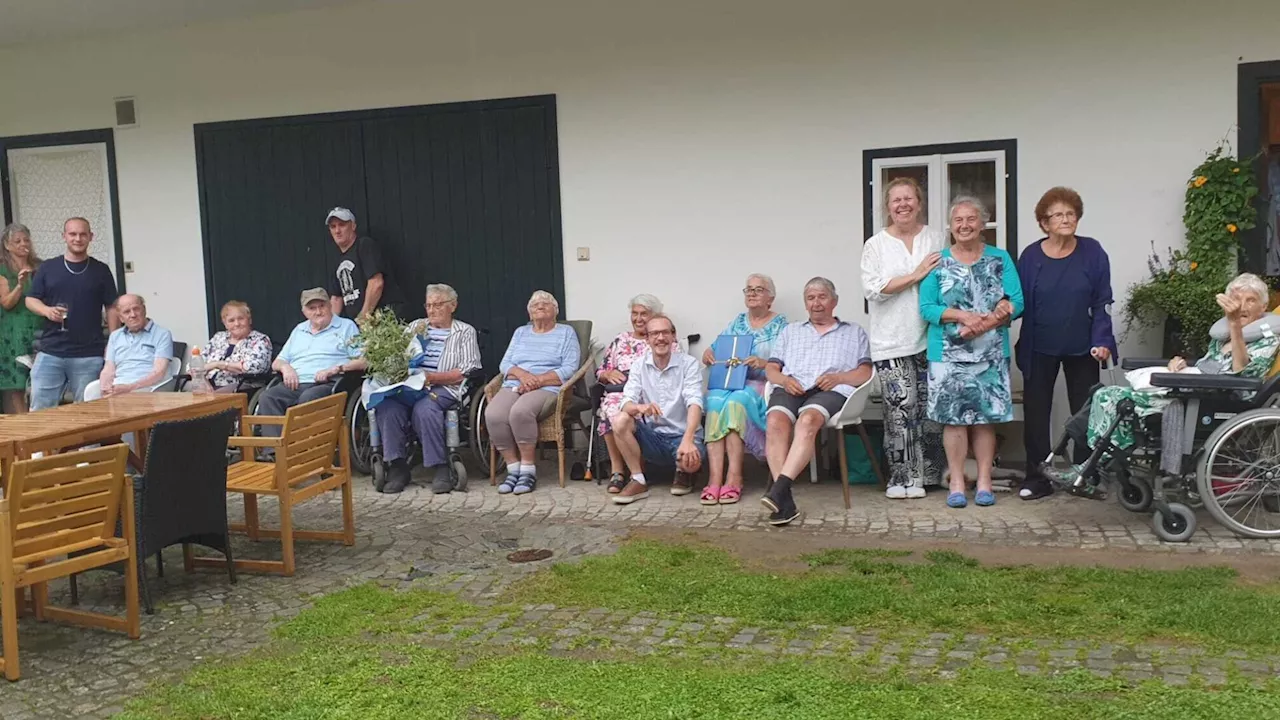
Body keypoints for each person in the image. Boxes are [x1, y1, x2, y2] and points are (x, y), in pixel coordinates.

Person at [1046, 273, 1280, 486]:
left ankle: (1090, 472)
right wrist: (1178, 367)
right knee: (1104, 394)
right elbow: (1206, 367)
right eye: (1238, 299)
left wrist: (1234, 326)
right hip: (1200, 389)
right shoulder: (1222, 337)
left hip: (1223, 398)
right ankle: (1092, 466)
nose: (1243, 306)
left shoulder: (1266, 337)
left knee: (1116, 400)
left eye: (1251, 300)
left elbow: (1242, 371)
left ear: (1264, 305)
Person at [920, 197, 1024, 509]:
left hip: (990, 353)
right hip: (947, 354)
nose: (964, 226)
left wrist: (987, 321)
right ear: (950, 227)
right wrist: (963, 317)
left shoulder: (999, 258)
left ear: (982, 224)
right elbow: (926, 308)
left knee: (984, 420)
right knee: (953, 421)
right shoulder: (937, 262)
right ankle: (955, 481)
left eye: (971, 220)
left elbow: (1017, 301)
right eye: (958, 221)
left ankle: (983, 481)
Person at [1016, 187, 1118, 500]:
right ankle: (1037, 478)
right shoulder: (1031, 257)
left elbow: (1103, 301)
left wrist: (1103, 340)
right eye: (1058, 215)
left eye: (1070, 214)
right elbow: (1018, 300)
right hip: (1039, 346)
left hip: (1083, 348)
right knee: (1036, 414)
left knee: (1087, 413)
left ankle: (1084, 474)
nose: (1066, 219)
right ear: (1044, 223)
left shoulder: (1092, 251)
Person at [759, 277, 873, 526]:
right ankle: (784, 498)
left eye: (822, 297)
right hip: (793, 385)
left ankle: (779, 491)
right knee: (775, 422)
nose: (816, 303)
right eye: (810, 298)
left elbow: (865, 372)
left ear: (834, 301)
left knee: (808, 420)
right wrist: (783, 380)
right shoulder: (791, 331)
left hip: (829, 390)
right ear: (805, 303)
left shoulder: (854, 331)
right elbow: (771, 369)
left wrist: (839, 377)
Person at [861, 177, 947, 499]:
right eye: (896, 200)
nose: (903, 205)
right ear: (888, 207)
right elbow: (873, 289)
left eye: (908, 198)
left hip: (930, 338)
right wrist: (915, 275)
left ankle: (929, 476)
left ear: (919, 202)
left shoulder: (935, 238)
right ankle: (901, 479)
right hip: (892, 341)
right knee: (900, 411)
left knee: (929, 412)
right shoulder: (876, 245)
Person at [374, 284, 482, 495]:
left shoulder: (464, 332)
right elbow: (398, 357)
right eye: (429, 305)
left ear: (453, 306)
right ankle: (397, 466)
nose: (431, 310)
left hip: (444, 387)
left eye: (438, 305)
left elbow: (466, 370)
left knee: (425, 409)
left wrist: (432, 378)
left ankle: (439, 465)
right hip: (409, 387)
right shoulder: (415, 327)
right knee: (387, 406)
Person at [699, 274, 788, 505]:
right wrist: (709, 352)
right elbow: (719, 347)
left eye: (758, 290)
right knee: (715, 400)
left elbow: (791, 363)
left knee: (736, 402)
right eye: (748, 289)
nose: (752, 293)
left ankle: (735, 477)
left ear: (771, 298)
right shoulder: (738, 322)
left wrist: (764, 363)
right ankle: (715, 478)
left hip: (762, 385)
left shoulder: (782, 326)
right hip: (732, 382)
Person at [487, 291, 581, 495]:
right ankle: (513, 468)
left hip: (548, 386)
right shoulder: (521, 332)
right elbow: (505, 364)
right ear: (529, 313)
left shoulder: (566, 332)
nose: (539, 306)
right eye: (534, 304)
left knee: (520, 411)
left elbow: (570, 367)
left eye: (545, 303)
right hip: (516, 383)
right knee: (493, 414)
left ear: (555, 311)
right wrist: (522, 375)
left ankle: (528, 470)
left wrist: (536, 380)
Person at [24, 217, 121, 410]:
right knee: (41, 411)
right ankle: (46, 442)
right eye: (73, 234)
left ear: (91, 237)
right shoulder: (48, 268)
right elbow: (30, 299)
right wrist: (47, 310)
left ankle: (87, 443)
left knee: (87, 412)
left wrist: (113, 342)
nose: (78, 238)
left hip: (89, 353)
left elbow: (112, 307)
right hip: (50, 351)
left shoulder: (101, 270)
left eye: (83, 234)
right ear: (64, 236)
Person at [610, 314, 707, 504]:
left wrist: (688, 440)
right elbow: (626, 402)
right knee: (620, 419)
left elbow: (695, 403)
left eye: (665, 332)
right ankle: (638, 480)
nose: (660, 338)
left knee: (690, 464)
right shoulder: (639, 365)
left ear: (673, 336)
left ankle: (684, 472)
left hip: (682, 436)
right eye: (654, 333)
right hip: (653, 438)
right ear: (647, 339)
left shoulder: (689, 364)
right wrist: (640, 407)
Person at [256, 288, 366, 437]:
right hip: (294, 383)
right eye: (312, 308)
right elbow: (277, 362)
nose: (318, 312)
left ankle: (303, 451)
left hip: (328, 383)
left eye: (322, 306)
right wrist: (286, 367)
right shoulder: (299, 330)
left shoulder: (346, 326)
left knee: (309, 398)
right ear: (304, 311)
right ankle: (275, 453)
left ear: (330, 306)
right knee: (268, 397)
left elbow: (363, 360)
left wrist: (335, 369)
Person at [597, 294, 662, 494]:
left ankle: (636, 469)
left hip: (648, 393)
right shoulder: (620, 340)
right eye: (635, 313)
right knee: (610, 409)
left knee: (622, 411)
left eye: (644, 314)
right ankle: (618, 471)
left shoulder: (660, 338)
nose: (638, 318)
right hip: (619, 391)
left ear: (654, 316)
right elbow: (600, 371)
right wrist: (607, 374)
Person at [324, 207, 405, 321]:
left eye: (342, 225)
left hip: (383, 319)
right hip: (361, 325)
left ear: (353, 226)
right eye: (333, 226)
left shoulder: (364, 246)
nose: (337, 231)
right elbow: (336, 298)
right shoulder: (337, 260)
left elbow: (376, 283)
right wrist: (330, 326)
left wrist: (364, 317)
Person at [91, 294, 175, 398]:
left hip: (148, 387)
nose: (133, 315)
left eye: (136, 309)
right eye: (127, 312)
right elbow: (108, 369)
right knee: (92, 395)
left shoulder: (162, 334)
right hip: (119, 386)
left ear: (144, 310)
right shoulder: (115, 336)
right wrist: (105, 388)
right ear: (121, 318)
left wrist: (129, 388)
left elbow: (159, 372)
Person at [0, 224, 42, 413]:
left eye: (26, 239)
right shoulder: (3, 270)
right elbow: (7, 303)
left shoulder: (40, 266)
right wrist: (19, 285)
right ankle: (24, 421)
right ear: (7, 246)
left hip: (39, 325)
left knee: (43, 376)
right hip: (14, 331)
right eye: (17, 241)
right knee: (17, 381)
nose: (23, 244)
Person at [201, 300, 273, 392]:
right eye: (231, 320)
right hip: (209, 385)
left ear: (249, 320)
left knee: (211, 400)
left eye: (241, 318)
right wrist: (203, 381)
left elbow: (255, 367)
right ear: (225, 324)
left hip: (241, 387)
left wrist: (218, 364)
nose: (237, 324)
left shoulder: (260, 340)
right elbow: (195, 365)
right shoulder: (218, 338)